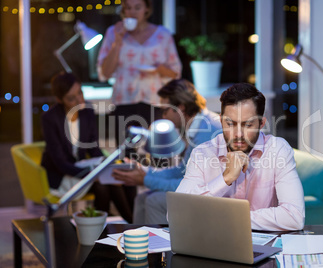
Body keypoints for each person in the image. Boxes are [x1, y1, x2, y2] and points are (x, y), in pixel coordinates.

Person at [175, 83, 305, 231]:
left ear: (261, 123)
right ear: (221, 120)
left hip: (263, 245)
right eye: (230, 124)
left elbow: (294, 217)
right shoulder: (202, 153)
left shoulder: (278, 150)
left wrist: (230, 219)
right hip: (213, 242)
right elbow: (178, 213)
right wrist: (225, 179)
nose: (238, 134)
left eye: (248, 125)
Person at [112, 79, 222, 224]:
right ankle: (138, 244)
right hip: (201, 191)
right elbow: (182, 171)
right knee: (142, 198)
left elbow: (192, 186)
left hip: (214, 198)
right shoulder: (199, 124)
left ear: (180, 108)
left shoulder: (206, 132)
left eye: (165, 110)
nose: (163, 116)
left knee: (154, 201)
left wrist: (146, 180)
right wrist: (145, 171)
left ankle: (163, 246)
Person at [41, 72, 133, 222]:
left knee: (118, 178)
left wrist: (105, 165)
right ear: (60, 100)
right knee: (106, 182)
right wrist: (92, 174)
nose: (79, 100)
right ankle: (131, 222)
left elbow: (93, 149)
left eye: (80, 93)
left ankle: (104, 228)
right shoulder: (50, 119)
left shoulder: (87, 112)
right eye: (72, 98)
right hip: (64, 175)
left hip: (83, 170)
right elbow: (60, 163)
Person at [97, 0, 182, 145]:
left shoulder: (163, 34)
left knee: (157, 154)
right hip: (124, 101)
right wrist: (117, 42)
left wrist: (159, 68)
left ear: (147, 9)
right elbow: (104, 73)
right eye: (128, 8)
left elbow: (176, 73)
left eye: (137, 7)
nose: (132, 12)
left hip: (155, 102)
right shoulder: (113, 32)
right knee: (127, 155)